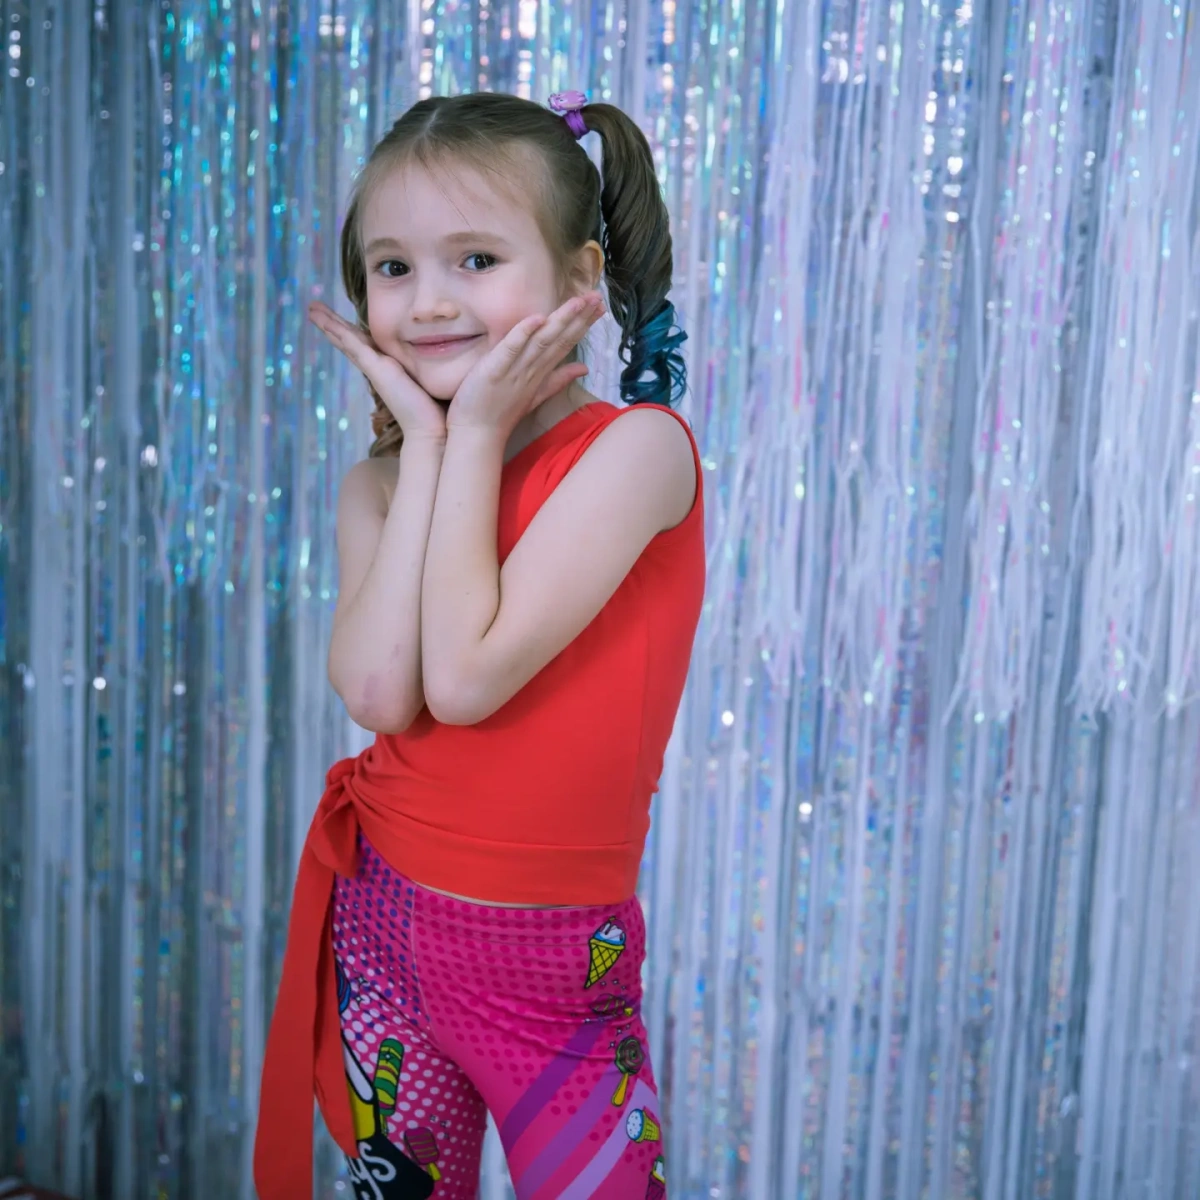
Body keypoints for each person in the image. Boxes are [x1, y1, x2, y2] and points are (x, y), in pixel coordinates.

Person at [253, 89, 704, 1200]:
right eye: (393, 267)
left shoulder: (639, 453)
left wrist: (483, 429)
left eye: (476, 259)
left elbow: (462, 678)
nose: (430, 300)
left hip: (556, 976)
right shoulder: (379, 487)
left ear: (582, 279)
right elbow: (379, 692)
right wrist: (433, 446)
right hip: (384, 931)